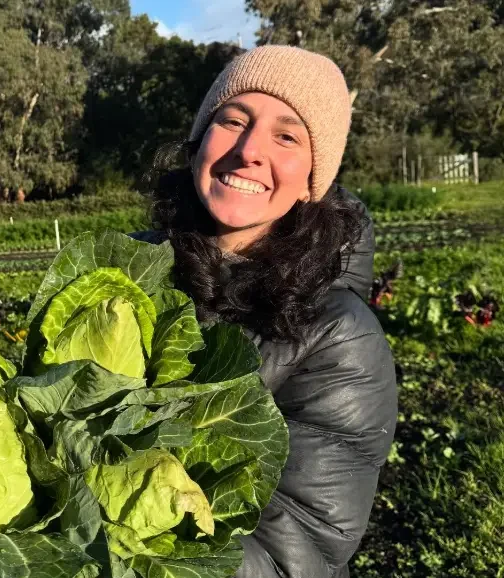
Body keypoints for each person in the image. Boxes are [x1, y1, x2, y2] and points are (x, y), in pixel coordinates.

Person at [132, 46, 397, 577]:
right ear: (200, 141)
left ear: (311, 182)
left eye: (287, 136)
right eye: (232, 121)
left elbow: (291, 554)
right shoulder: (128, 275)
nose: (249, 150)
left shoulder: (340, 338)